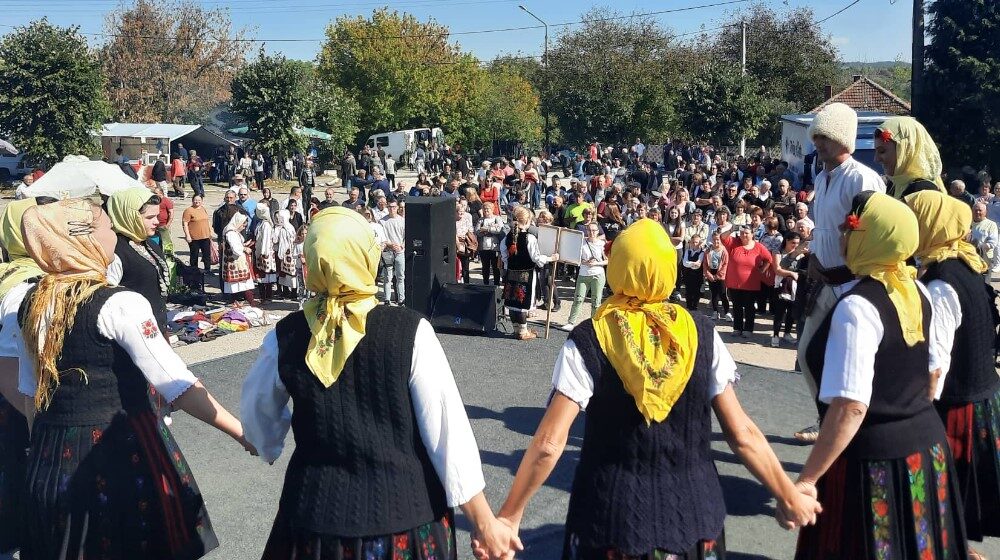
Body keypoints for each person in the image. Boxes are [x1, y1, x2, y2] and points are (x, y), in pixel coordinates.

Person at [473, 218, 820, 560]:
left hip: (610, 518)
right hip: (693, 518)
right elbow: (741, 432)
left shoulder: (589, 339)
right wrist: (787, 495)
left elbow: (550, 443)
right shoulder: (703, 334)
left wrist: (509, 516)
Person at [240, 207, 520, 559]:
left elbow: (256, 412)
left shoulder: (286, 335)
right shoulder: (410, 330)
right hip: (403, 520)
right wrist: (484, 523)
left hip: (313, 520)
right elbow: (447, 435)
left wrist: (265, 444)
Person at [12, 198, 255, 559]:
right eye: (109, 228)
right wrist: (242, 432)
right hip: (118, 452)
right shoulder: (118, 304)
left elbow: (31, 393)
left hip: (52, 454)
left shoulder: (30, 301)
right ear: (87, 238)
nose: (114, 233)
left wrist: (45, 451)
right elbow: (177, 383)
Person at [795, 192, 969, 559]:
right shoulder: (917, 289)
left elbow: (850, 408)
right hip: (926, 446)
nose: (842, 236)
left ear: (873, 238)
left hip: (873, 459)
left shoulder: (857, 308)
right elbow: (930, 369)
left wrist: (808, 478)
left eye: (851, 229)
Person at [907, 190, 1000, 554]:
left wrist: (917, 413)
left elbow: (936, 364)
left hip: (958, 408)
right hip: (980, 396)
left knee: (941, 492)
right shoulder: (967, 265)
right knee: (954, 497)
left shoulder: (942, 282)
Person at [795, 102, 885, 443]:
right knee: (807, 354)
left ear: (844, 140)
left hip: (853, 285)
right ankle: (825, 419)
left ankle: (857, 426)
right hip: (824, 281)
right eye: (817, 136)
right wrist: (815, 260)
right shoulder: (821, 176)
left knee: (850, 361)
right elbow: (825, 230)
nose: (819, 143)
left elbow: (873, 234)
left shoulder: (863, 177)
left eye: (826, 137)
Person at [0, 199, 42, 560]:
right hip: (22, 402)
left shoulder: (7, 273)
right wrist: (39, 423)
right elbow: (11, 368)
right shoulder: (27, 285)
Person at [106, 188, 171, 335]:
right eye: (149, 218)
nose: (156, 221)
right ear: (130, 216)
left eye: (157, 216)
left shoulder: (148, 243)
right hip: (133, 333)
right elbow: (109, 301)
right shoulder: (115, 252)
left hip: (156, 326)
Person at [501, 207, 558, 341]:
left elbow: (504, 256)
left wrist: (508, 267)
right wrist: (551, 258)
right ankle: (523, 331)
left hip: (511, 273)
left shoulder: (507, 237)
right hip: (526, 274)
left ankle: (517, 329)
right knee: (522, 303)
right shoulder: (529, 238)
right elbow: (536, 258)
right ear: (527, 221)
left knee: (513, 301)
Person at [873, 116, 946, 199]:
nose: (876, 159)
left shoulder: (923, 192)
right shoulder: (895, 185)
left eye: (882, 151)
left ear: (906, 149)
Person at [721, 225, 773, 338]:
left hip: (751, 283)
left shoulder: (759, 247)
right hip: (734, 282)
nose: (744, 235)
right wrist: (731, 230)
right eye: (742, 233)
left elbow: (769, 259)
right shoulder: (734, 243)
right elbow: (722, 237)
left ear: (752, 234)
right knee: (736, 306)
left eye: (747, 233)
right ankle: (737, 328)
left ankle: (748, 329)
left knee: (749, 307)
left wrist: (762, 270)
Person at [561, 222, 607, 331]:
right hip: (583, 273)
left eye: (594, 230)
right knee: (578, 298)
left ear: (597, 231)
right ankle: (571, 322)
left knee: (596, 301)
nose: (591, 233)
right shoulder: (582, 242)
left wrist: (596, 263)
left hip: (597, 274)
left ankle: (593, 323)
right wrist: (584, 262)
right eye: (589, 230)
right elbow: (575, 257)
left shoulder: (602, 244)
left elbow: (607, 261)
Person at [771, 231, 805, 347]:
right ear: (786, 241)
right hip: (781, 286)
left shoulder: (801, 254)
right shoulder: (778, 252)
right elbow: (777, 269)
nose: (795, 245)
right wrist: (791, 273)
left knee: (791, 312)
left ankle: (787, 333)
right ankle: (776, 334)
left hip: (795, 287)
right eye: (792, 243)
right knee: (780, 312)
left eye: (797, 243)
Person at [380, 201, 406, 305]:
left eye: (394, 207)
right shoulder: (382, 221)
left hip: (400, 251)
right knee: (387, 277)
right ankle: (387, 299)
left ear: (397, 208)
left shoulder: (402, 220)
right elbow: (382, 237)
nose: (392, 209)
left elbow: (406, 236)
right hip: (388, 251)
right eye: (390, 207)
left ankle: (401, 299)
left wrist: (401, 246)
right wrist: (390, 245)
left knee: (400, 276)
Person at [182, 194, 213, 275]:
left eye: (199, 200)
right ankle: (194, 270)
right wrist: (187, 235)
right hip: (194, 237)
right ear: (192, 200)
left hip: (205, 236)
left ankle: (207, 269)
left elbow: (207, 221)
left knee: (206, 254)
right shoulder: (188, 210)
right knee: (194, 255)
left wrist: (210, 232)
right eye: (195, 200)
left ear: (202, 201)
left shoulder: (203, 209)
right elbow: (185, 224)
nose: (197, 202)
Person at [704, 231, 731, 321]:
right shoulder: (708, 251)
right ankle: (715, 311)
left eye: (718, 240)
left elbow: (725, 265)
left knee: (723, 294)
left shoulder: (724, 251)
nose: (716, 242)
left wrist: (717, 276)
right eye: (714, 239)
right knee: (714, 294)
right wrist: (709, 275)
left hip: (720, 275)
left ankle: (727, 312)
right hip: (711, 273)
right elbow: (705, 265)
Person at [478, 202, 506, 287]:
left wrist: (487, 229)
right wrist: (487, 230)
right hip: (484, 247)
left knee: (495, 267)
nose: (486, 210)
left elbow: (500, 230)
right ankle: (485, 283)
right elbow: (477, 231)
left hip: (495, 247)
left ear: (492, 209)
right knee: (485, 267)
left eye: (488, 209)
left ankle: (496, 284)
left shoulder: (497, 218)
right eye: (484, 209)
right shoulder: (481, 220)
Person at [254, 206, 278, 304]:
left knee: (266, 277)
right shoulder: (261, 223)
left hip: (265, 254)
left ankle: (267, 297)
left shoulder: (266, 225)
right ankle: (262, 296)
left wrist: (263, 254)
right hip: (260, 252)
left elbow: (266, 241)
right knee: (261, 276)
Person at [970, 202, 999, 277]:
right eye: (975, 210)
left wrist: (978, 249)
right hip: (968, 257)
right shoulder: (967, 223)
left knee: (984, 285)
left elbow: (992, 243)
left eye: (980, 210)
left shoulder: (991, 225)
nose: (977, 212)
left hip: (984, 259)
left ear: (985, 212)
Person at [275, 210, 298, 299]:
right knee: (288, 275)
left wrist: (281, 255)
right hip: (289, 253)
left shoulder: (285, 229)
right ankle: (289, 291)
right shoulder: (288, 227)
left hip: (287, 254)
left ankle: (290, 292)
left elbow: (282, 244)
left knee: (288, 275)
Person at [681, 233, 706, 311]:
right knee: (688, 291)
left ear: (700, 243)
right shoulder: (687, 251)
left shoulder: (702, 253)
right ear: (690, 243)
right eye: (693, 242)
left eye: (696, 242)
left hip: (697, 275)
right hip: (688, 275)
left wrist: (690, 263)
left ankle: (695, 306)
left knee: (696, 292)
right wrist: (693, 263)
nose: (694, 244)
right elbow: (684, 263)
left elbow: (698, 265)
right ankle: (688, 306)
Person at [456, 202, 474, 283]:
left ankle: (466, 283)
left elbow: (471, 230)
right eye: (459, 212)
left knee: (465, 266)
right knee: (456, 265)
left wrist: (466, 236)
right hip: (455, 245)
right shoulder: (453, 221)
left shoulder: (467, 219)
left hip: (465, 244)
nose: (461, 213)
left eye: (463, 212)